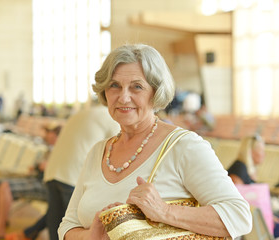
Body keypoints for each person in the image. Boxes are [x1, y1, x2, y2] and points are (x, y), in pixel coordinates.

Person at [58, 44, 252, 240]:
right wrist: (91, 236)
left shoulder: (184, 146)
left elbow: (238, 216)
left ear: (156, 92)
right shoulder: (98, 152)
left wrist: (163, 212)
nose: (124, 97)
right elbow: (68, 225)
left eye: (137, 86)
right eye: (114, 85)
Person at [5, 102, 120, 240]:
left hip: (53, 171)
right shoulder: (112, 118)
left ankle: (28, 233)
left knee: (57, 223)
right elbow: (118, 150)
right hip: (73, 175)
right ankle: (27, 233)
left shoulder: (82, 114)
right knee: (75, 224)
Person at [0, 123, 62, 240]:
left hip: (46, 186)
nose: (46, 136)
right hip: (35, 179)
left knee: (5, 186)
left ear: (56, 135)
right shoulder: (49, 149)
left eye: (49, 132)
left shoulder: (61, 152)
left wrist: (46, 167)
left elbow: (56, 172)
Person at [227, 134, 279, 238]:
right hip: (251, 223)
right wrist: (263, 217)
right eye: (261, 151)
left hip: (256, 218)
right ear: (250, 151)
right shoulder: (239, 168)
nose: (264, 154)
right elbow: (235, 201)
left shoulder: (248, 170)